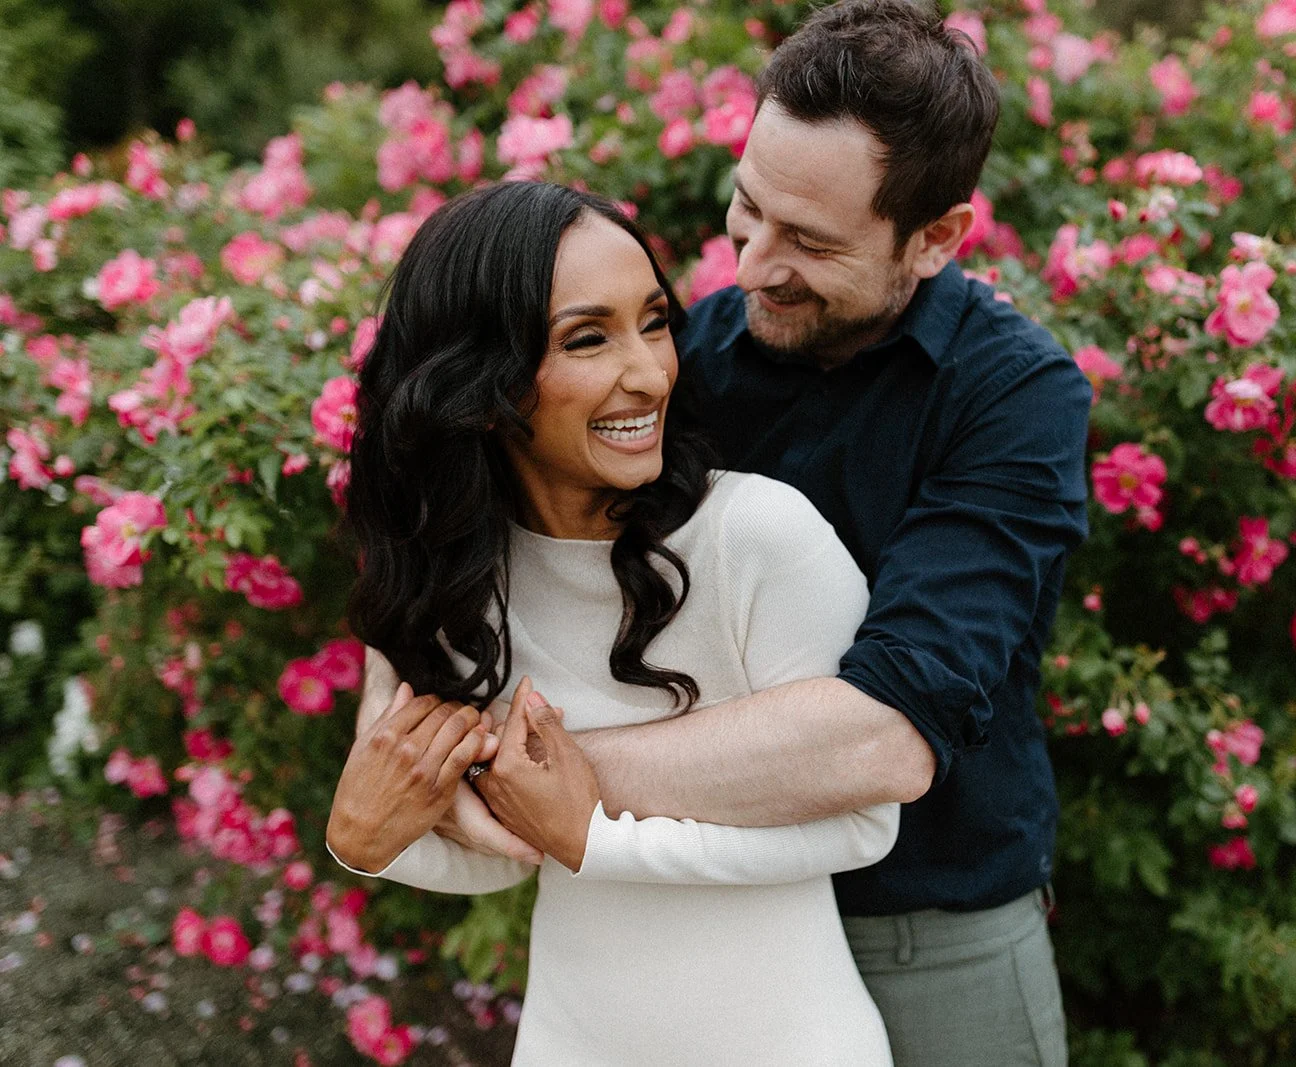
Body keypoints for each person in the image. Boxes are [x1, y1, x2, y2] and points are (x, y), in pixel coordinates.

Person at [363, 1, 1092, 1063]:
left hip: (927, 930)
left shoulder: (1014, 397)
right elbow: (463, 508)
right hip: (708, 936)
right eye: (746, 209)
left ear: (936, 238)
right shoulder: (686, 358)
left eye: (808, 242)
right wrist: (391, 730)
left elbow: (882, 735)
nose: (749, 265)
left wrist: (527, 773)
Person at [325, 179, 898, 1064]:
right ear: (481, 388)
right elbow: (496, 849)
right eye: (588, 338)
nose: (649, 371)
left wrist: (593, 837)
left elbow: (865, 823)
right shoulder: (460, 580)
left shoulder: (758, 536)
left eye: (656, 322)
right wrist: (366, 846)